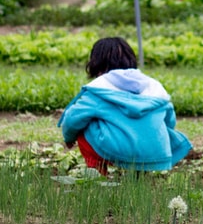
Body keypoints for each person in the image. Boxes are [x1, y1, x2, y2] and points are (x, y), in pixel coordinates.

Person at [58, 37, 191, 174]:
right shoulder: (154, 88)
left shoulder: (99, 90)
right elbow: (170, 120)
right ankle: (139, 175)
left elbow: (72, 119)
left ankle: (97, 173)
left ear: (96, 64)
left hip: (115, 151)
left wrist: (69, 138)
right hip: (154, 153)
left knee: (83, 125)